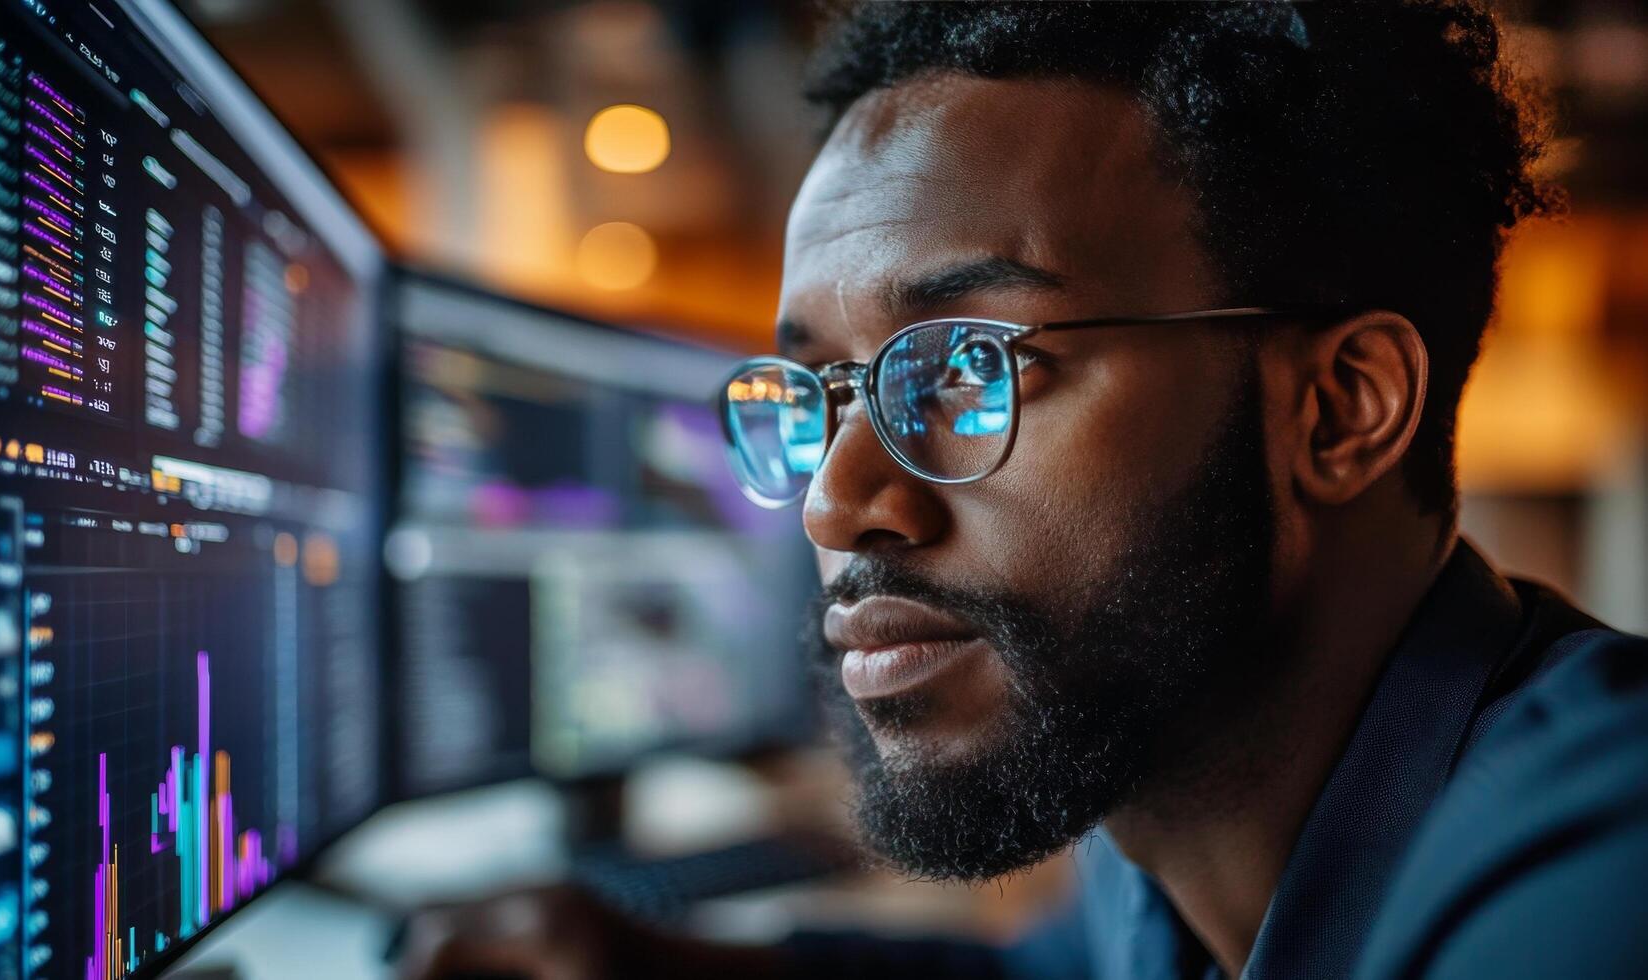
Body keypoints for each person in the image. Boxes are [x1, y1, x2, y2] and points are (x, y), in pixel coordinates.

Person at [397, 3, 1648, 977]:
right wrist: (669, 965)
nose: (836, 505)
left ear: (1339, 408)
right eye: (817, 391)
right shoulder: (1182, 789)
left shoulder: (1599, 870)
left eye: (962, 370)